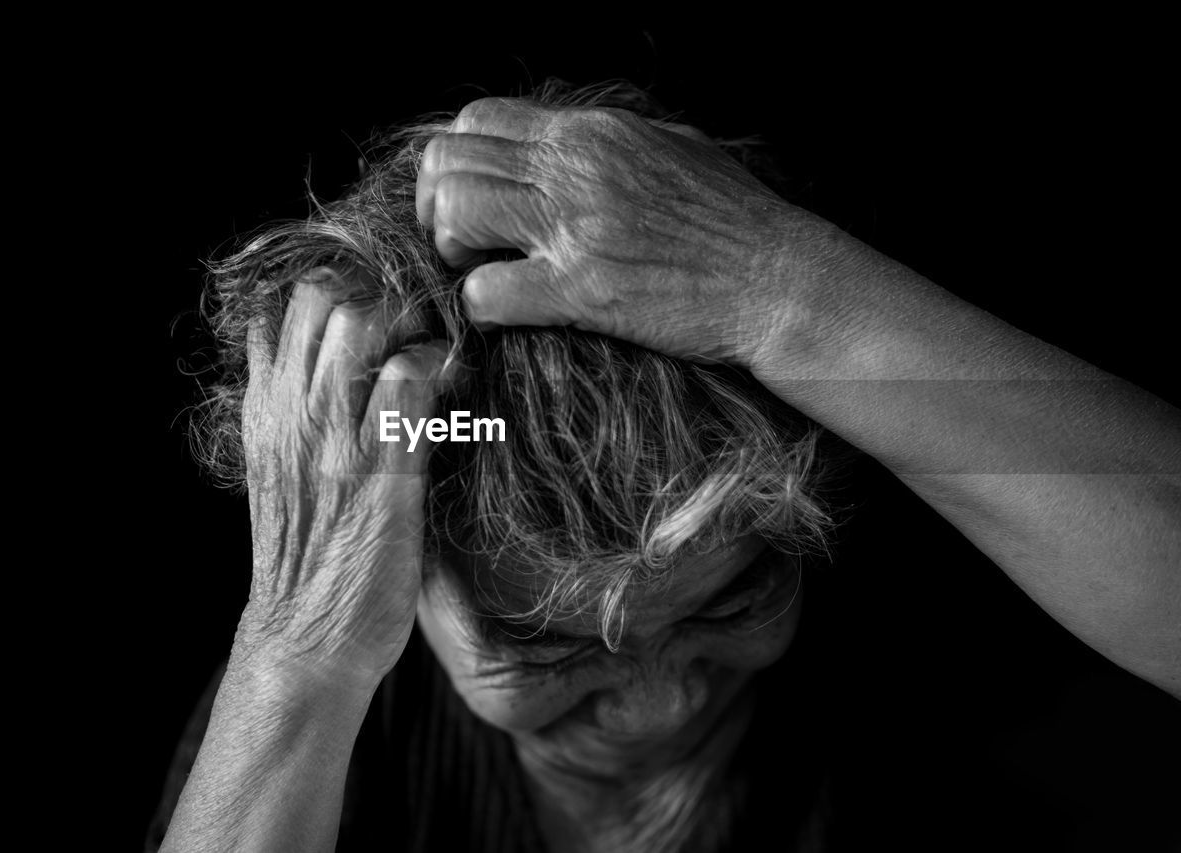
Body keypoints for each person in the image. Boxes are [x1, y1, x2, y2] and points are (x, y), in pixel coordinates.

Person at [150, 81, 1181, 852]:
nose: (660, 706)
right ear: (390, 579)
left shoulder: (930, 642)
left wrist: (778, 287)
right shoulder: (332, 724)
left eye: (726, 603)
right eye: (546, 650)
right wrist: (297, 655)